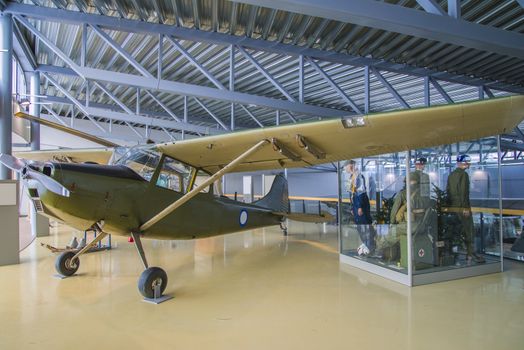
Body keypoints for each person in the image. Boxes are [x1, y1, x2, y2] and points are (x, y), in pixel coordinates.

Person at [446, 154, 485, 264]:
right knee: (469, 231)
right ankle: (470, 254)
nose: (469, 164)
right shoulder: (464, 175)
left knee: (456, 231)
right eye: (467, 162)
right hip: (462, 207)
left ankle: (456, 253)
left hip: (453, 207)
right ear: (464, 163)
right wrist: (465, 208)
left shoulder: (451, 175)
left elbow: (447, 190)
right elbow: (464, 193)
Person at [345, 160, 375, 255]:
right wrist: (352, 207)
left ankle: (369, 246)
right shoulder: (352, 177)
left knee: (365, 226)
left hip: (361, 205)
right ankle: (366, 244)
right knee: (360, 227)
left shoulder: (359, 177)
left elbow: (361, 193)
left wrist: (359, 207)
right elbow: (351, 194)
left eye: (347, 166)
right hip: (356, 205)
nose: (346, 168)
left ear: (352, 166)